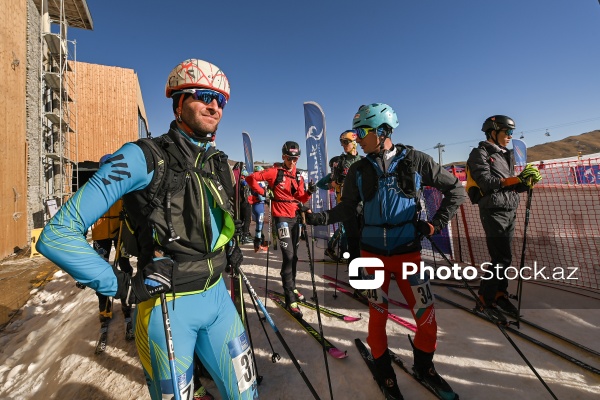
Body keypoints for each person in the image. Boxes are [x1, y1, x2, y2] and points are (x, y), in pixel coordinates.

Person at [37, 58, 258, 400]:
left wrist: (228, 246)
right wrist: (123, 286)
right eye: (202, 95)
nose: (213, 106)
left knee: (246, 396)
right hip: (166, 310)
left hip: (218, 299)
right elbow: (58, 234)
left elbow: (213, 219)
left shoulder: (217, 163)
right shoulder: (141, 157)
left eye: (220, 100)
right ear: (178, 103)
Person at [304, 103, 466, 400]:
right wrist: (318, 218)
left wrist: (434, 225)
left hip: (408, 255)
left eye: (361, 132)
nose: (357, 138)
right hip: (372, 256)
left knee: (427, 318)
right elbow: (348, 207)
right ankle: (383, 370)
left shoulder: (416, 160)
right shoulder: (359, 169)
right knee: (377, 316)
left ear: (382, 131)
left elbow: (457, 190)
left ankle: (424, 366)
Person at [466, 115, 542, 323]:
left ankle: (499, 293)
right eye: (506, 132)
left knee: (504, 258)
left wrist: (525, 182)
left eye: (511, 133)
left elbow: (509, 185)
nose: (510, 136)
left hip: (509, 208)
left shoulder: (505, 154)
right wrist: (514, 179)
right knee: (501, 258)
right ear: (493, 131)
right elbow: (487, 182)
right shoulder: (479, 153)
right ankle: (485, 298)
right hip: (493, 209)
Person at [245, 141, 315, 317]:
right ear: (283, 156)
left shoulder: (298, 176)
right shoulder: (274, 172)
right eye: (290, 158)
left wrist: (309, 193)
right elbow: (250, 178)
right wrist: (262, 192)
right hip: (281, 218)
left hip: (294, 218)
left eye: (296, 159)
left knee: (295, 256)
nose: (292, 162)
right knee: (288, 255)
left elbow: (299, 196)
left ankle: (293, 286)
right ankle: (289, 295)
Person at [89, 154, 134, 336]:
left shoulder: (121, 185)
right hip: (100, 233)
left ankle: (126, 301)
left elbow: (133, 204)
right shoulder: (94, 186)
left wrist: (128, 214)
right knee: (100, 271)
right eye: (104, 166)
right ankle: (104, 308)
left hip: (120, 231)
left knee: (124, 266)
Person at [323, 130, 362, 264]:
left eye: (346, 142)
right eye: (342, 142)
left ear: (354, 142)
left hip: (362, 203)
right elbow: (332, 182)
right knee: (349, 234)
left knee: (361, 235)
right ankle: (350, 263)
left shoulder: (363, 160)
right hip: (345, 202)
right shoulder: (339, 161)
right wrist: (340, 180)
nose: (343, 145)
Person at [249, 165, 269, 252]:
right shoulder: (260, 183)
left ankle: (261, 241)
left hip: (255, 206)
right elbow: (261, 197)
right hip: (259, 206)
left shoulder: (253, 182)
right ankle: (258, 245)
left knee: (259, 224)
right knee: (259, 226)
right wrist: (267, 198)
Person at [239, 168, 254, 244]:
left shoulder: (237, 181)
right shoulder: (243, 182)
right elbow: (245, 185)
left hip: (240, 203)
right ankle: (245, 235)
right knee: (247, 219)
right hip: (245, 203)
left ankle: (241, 234)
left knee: (241, 219)